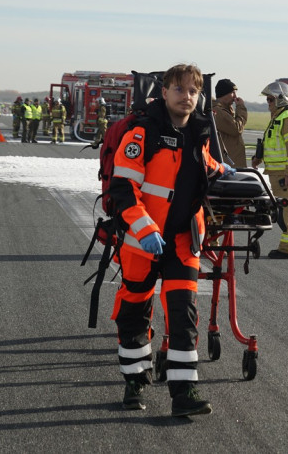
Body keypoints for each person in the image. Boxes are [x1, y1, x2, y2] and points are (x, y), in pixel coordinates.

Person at [108, 64, 232, 416]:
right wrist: (144, 230)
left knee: (183, 316)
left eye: (193, 91)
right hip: (141, 243)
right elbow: (124, 188)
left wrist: (226, 172)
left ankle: (184, 393)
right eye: (179, 89)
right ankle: (134, 381)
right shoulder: (142, 132)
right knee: (134, 312)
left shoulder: (198, 132)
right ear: (164, 92)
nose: (187, 96)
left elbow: (205, 165)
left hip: (182, 242)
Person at [252, 81, 288, 259]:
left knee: (286, 210)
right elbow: (272, 143)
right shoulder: (279, 117)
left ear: (280, 99)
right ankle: (287, 246)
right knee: (281, 210)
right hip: (277, 173)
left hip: (285, 174)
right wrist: (258, 158)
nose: (268, 103)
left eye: (270, 99)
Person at [212, 78, 248, 168]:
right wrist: (241, 107)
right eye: (232, 93)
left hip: (231, 163)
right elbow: (236, 129)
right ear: (223, 94)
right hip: (228, 165)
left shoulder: (225, 110)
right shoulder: (218, 111)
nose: (235, 96)